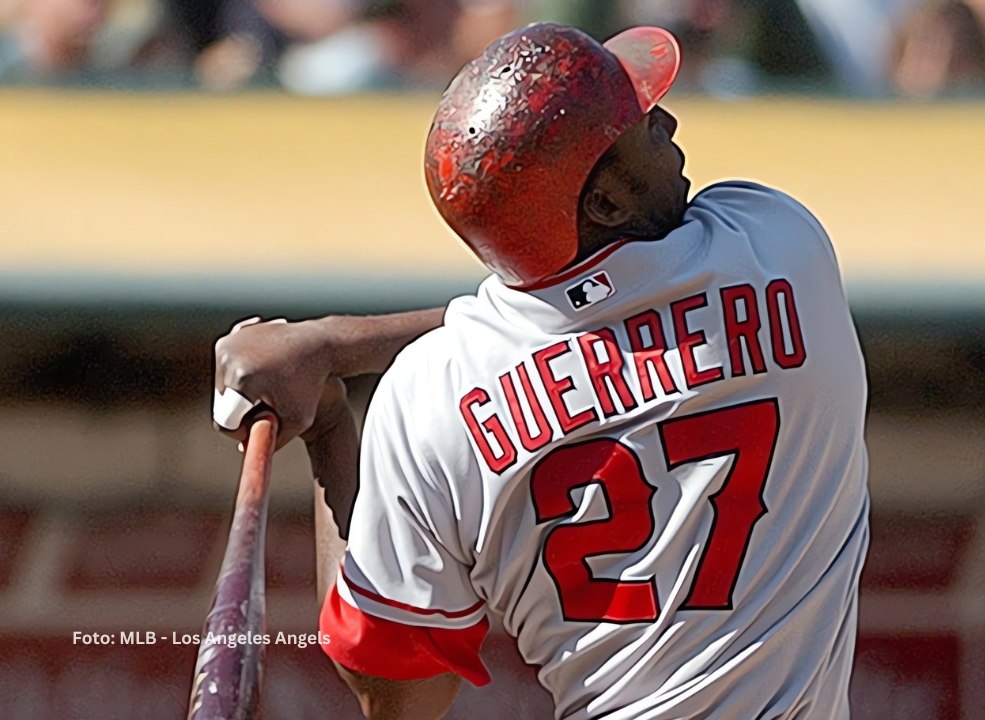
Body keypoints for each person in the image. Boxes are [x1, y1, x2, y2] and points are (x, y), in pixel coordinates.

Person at [212, 22, 869, 720]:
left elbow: (400, 698)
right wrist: (337, 345)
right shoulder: (777, 244)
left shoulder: (428, 397)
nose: (668, 120)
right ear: (607, 203)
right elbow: (611, 311)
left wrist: (331, 418)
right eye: (641, 127)